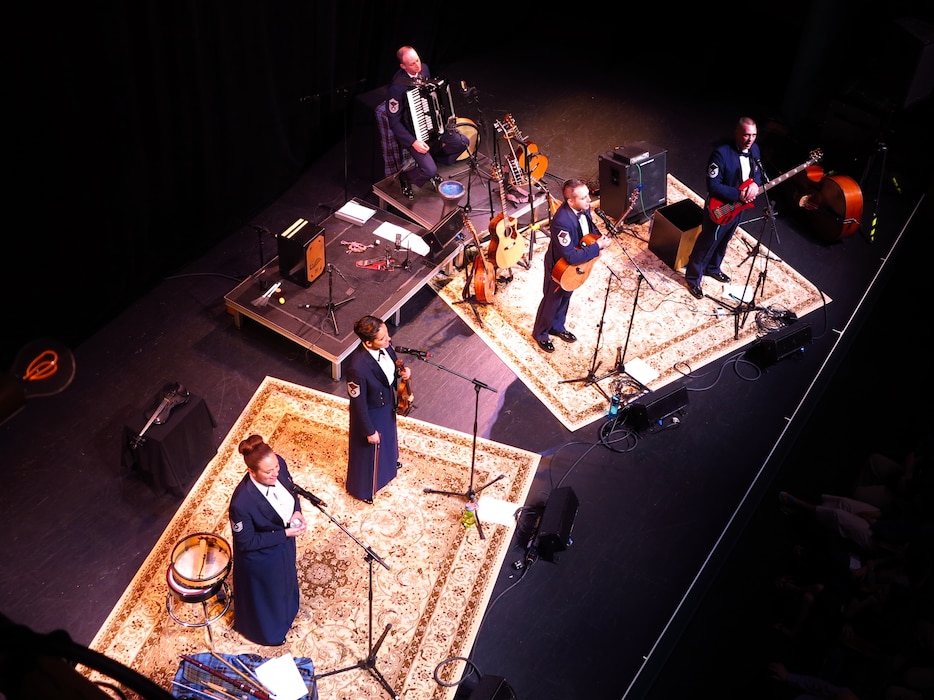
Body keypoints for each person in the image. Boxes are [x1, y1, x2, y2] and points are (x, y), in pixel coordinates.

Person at [228, 434, 306, 646]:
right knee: (269, 595)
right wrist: (284, 534)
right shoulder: (241, 503)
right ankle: (270, 633)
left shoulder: (278, 463)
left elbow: (292, 489)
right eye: (269, 472)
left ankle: (289, 611)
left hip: (284, 544)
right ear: (251, 471)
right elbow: (247, 543)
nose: (275, 473)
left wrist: (297, 512)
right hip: (262, 559)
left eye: (276, 468)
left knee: (286, 580)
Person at [684, 116, 764, 299]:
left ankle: (713, 267)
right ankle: (693, 278)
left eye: (753, 135)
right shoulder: (720, 154)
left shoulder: (755, 150)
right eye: (746, 135)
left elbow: (757, 173)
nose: (750, 140)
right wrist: (738, 195)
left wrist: (755, 184)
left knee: (725, 239)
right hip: (720, 206)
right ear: (737, 133)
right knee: (707, 241)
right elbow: (713, 186)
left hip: (739, 208)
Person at [531, 178, 611, 353]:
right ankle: (541, 333)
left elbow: (589, 227)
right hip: (560, 266)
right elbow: (570, 256)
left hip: (578, 261)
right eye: (583, 198)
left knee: (566, 295)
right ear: (570, 201)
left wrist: (598, 238)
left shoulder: (584, 207)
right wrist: (597, 247)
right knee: (551, 301)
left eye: (588, 196)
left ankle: (557, 326)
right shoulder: (561, 222)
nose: (589, 200)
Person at [385, 45, 468, 199]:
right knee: (429, 171)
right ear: (403, 66)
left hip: (434, 127)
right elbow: (394, 123)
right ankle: (407, 177)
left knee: (463, 143)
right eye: (412, 64)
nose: (417, 66)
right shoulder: (396, 88)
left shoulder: (424, 69)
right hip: (413, 134)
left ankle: (434, 162)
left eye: (418, 60)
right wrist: (413, 142)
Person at [345, 315, 411, 504]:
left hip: (387, 403)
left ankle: (389, 464)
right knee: (369, 450)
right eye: (382, 339)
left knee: (389, 438)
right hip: (371, 413)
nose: (388, 340)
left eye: (387, 335)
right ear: (368, 342)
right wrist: (368, 430)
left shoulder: (386, 346)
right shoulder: (357, 368)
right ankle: (362, 489)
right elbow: (358, 403)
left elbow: (392, 368)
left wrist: (403, 373)